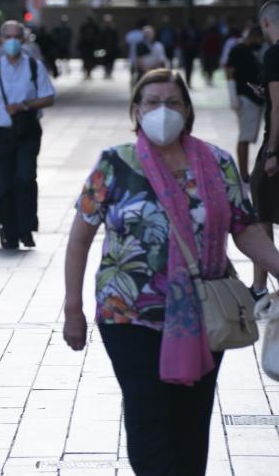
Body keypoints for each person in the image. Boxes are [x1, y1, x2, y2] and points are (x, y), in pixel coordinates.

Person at [64, 68, 279, 475]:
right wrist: (71, 308)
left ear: (187, 109)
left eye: (173, 102)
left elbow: (246, 229)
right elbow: (79, 240)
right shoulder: (115, 164)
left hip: (204, 314)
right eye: (152, 102)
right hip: (129, 315)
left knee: (191, 421)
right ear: (136, 110)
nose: (163, 110)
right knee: (150, 420)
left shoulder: (217, 162)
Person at [0, 20, 55, 249]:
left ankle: (26, 228)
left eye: (16, 37)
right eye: (7, 37)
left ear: (23, 40)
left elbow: (49, 97)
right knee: (5, 183)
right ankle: (8, 231)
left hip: (28, 130)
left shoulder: (34, 66)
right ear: (0, 40)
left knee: (26, 178)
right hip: (2, 132)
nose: (12, 41)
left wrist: (25, 105)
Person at [250, 0, 279, 302]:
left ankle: (260, 286)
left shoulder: (274, 54)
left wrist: (272, 152)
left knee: (259, 214)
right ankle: (258, 285)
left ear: (267, 23)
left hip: (276, 146)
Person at [225, 26, 264, 182]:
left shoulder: (252, 52)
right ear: (254, 36)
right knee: (245, 137)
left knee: (247, 137)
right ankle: (243, 174)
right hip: (245, 98)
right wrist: (233, 96)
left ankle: (245, 173)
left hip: (253, 98)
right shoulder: (238, 50)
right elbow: (229, 72)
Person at [201, 16, 223, 86]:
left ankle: (210, 77)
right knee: (207, 65)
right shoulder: (205, 30)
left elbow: (219, 41)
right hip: (206, 51)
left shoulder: (216, 30)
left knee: (212, 66)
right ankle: (208, 77)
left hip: (214, 51)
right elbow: (202, 41)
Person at [125, 19, 147, 86]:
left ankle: (132, 86)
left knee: (132, 73)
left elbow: (127, 45)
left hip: (132, 56)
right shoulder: (143, 34)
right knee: (140, 75)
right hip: (141, 58)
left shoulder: (130, 34)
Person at [77, 16, 100, 80]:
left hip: (91, 46)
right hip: (86, 46)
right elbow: (81, 36)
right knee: (86, 60)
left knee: (90, 60)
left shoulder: (95, 27)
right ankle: (87, 72)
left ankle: (89, 72)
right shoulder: (84, 27)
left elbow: (98, 36)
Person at [98, 14, 120, 79]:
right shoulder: (102, 28)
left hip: (112, 48)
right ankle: (106, 72)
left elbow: (116, 38)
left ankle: (110, 72)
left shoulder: (114, 28)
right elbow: (100, 38)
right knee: (104, 61)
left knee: (112, 61)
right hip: (104, 47)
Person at [180, 19, 200, 87]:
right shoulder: (184, 31)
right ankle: (187, 80)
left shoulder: (195, 30)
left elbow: (198, 40)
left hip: (192, 52)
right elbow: (181, 40)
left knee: (190, 67)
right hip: (186, 52)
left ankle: (189, 80)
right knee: (187, 67)